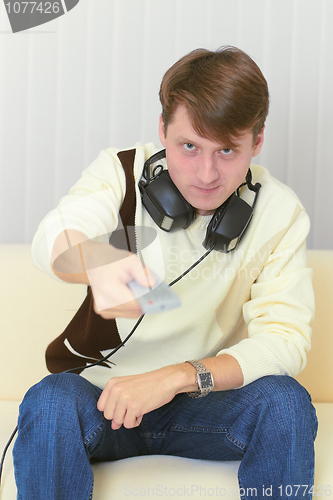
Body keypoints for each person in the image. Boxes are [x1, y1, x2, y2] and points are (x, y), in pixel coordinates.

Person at [13, 46, 318, 499]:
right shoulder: (120, 171)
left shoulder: (280, 213)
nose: (206, 174)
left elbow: (286, 341)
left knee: (287, 402)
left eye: (228, 150)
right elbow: (54, 235)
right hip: (102, 402)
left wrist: (175, 376)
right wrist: (94, 259)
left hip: (204, 404)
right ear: (162, 130)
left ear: (256, 142)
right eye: (189, 146)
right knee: (49, 399)